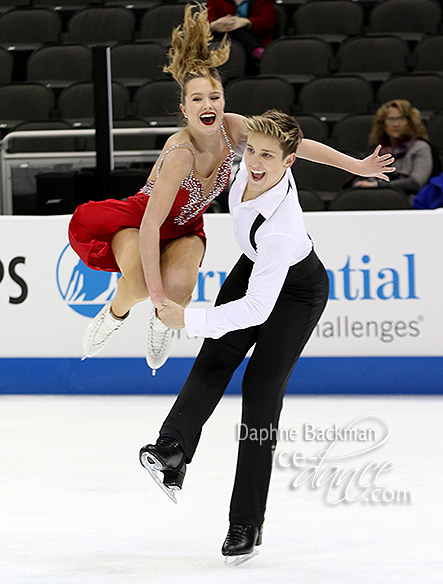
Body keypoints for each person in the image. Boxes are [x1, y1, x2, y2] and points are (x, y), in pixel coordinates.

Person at [68, 3, 394, 375]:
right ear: (184, 109)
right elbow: (149, 226)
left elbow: (291, 144)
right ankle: (114, 314)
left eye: (214, 97)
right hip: (139, 222)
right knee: (142, 285)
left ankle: (160, 324)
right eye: (197, 100)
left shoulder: (234, 128)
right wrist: (157, 301)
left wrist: (355, 164)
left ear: (223, 101)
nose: (208, 105)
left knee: (181, 290)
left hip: (186, 227)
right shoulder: (179, 154)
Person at [139, 110, 395, 564]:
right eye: (251, 150)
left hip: (297, 292)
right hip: (253, 267)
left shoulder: (280, 227)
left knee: (259, 392)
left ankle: (246, 523)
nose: (255, 162)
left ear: (288, 163)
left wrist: (190, 318)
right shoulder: (249, 164)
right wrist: (355, 165)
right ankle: (173, 450)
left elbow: (258, 309)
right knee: (216, 356)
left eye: (267, 156)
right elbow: (303, 144)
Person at [352, 99, 433, 199]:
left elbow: (416, 183)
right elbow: (363, 178)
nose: (395, 124)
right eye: (391, 119)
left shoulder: (420, 147)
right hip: (375, 198)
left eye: (401, 119)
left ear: (410, 122)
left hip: (407, 200)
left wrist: (378, 186)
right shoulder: (377, 149)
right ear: (383, 124)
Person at [207, 0, 276, 61]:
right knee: (232, 26)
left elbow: (267, 23)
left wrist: (246, 22)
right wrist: (214, 25)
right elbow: (206, 20)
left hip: (254, 37)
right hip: (222, 39)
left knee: (236, 27)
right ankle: (256, 51)